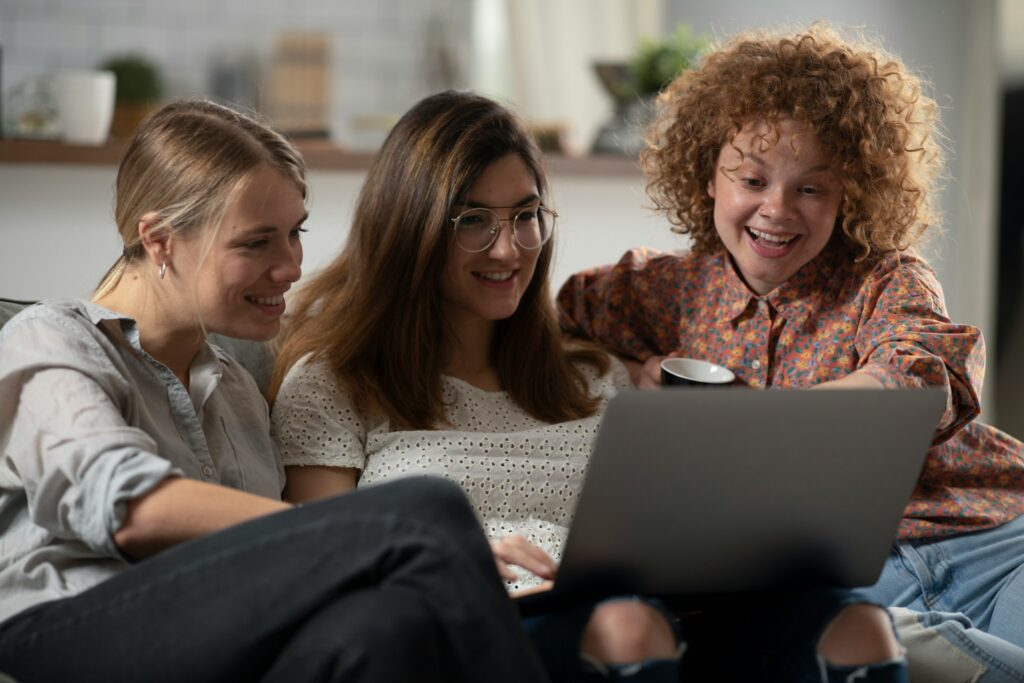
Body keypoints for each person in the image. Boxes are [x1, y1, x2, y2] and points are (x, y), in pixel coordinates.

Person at [269, 90, 906, 683]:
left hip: (664, 609)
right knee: (626, 628)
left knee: (859, 628)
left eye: (526, 216)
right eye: (473, 221)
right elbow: (330, 553)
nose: (508, 249)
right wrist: (447, 556)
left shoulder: (591, 376)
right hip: (477, 622)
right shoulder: (335, 382)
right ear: (410, 227)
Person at [0, 98, 547, 683]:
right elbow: (132, 509)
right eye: (257, 242)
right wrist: (382, 538)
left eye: (295, 233)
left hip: (211, 632)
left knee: (383, 622)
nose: (290, 266)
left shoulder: (238, 389)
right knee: (426, 509)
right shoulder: (51, 340)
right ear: (159, 240)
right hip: (59, 625)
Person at [557, 24, 1024, 683]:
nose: (775, 210)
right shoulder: (665, 288)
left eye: (811, 188)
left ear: (851, 195)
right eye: (752, 178)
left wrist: (763, 423)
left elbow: (918, 379)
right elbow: (555, 325)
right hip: (860, 575)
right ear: (707, 177)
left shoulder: (887, 278)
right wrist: (623, 370)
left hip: (996, 537)